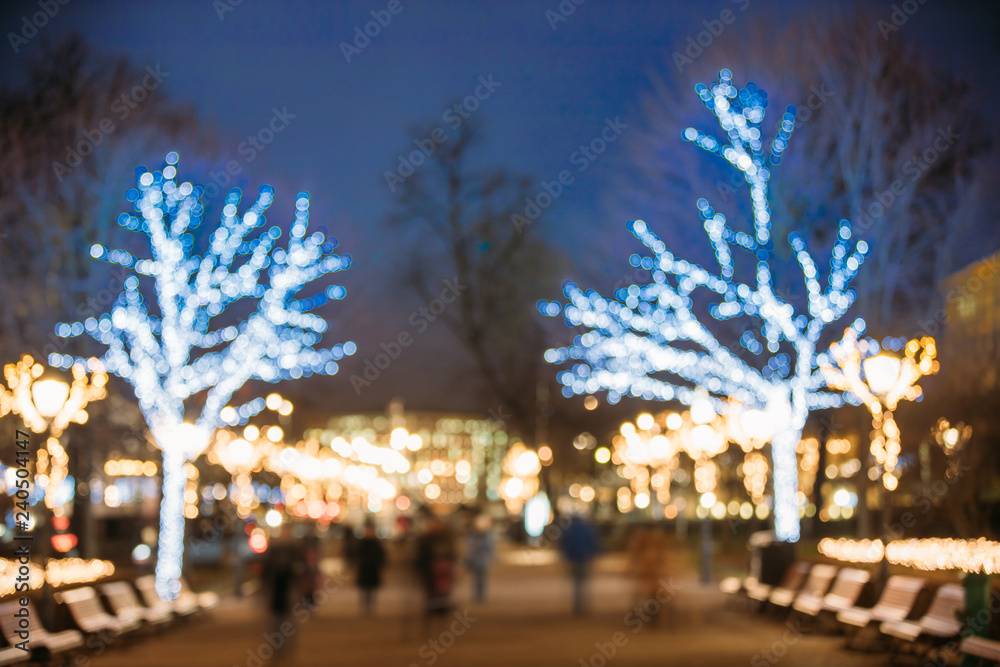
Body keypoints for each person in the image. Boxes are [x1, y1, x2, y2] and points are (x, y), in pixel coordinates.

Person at [415, 512, 457, 629]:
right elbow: (421, 556)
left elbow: (452, 554)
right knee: (431, 596)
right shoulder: (426, 539)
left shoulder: (446, 539)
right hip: (429, 573)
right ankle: (431, 616)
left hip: (443, 573)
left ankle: (441, 615)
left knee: (442, 594)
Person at [560, 514, 599, 615]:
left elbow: (565, 545)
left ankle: (578, 606)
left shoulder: (570, 530)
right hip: (585, 558)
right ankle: (585, 605)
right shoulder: (587, 529)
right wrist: (593, 554)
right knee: (585, 582)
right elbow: (593, 542)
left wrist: (566, 557)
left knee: (577, 583)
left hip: (574, 559)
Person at [356, 519, 385, 616]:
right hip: (364, 569)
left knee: (372, 590)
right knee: (364, 590)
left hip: (373, 569)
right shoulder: (362, 543)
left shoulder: (376, 543)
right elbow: (357, 555)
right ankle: (365, 608)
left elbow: (381, 555)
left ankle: (371, 608)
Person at [464, 514, 495, 604]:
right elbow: (468, 545)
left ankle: (481, 595)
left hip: (483, 560)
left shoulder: (487, 536)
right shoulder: (472, 535)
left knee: (482, 578)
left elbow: (490, 547)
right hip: (475, 560)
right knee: (476, 578)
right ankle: (477, 595)